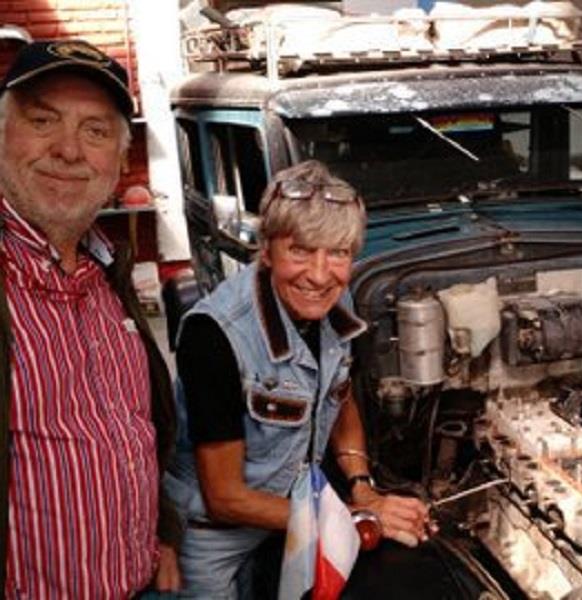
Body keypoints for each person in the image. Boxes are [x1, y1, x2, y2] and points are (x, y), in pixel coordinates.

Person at [165, 160, 431, 597]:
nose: (320, 274)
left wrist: (362, 486)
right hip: (214, 538)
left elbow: (338, 396)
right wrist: (356, 517)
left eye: (338, 253)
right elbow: (225, 497)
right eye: (301, 251)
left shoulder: (336, 300)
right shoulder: (213, 335)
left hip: (294, 517)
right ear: (267, 250)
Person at [0, 40, 181, 597]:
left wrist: (163, 533)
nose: (69, 150)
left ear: (119, 160)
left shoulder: (107, 272)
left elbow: (131, 429)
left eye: (96, 131)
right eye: (42, 121)